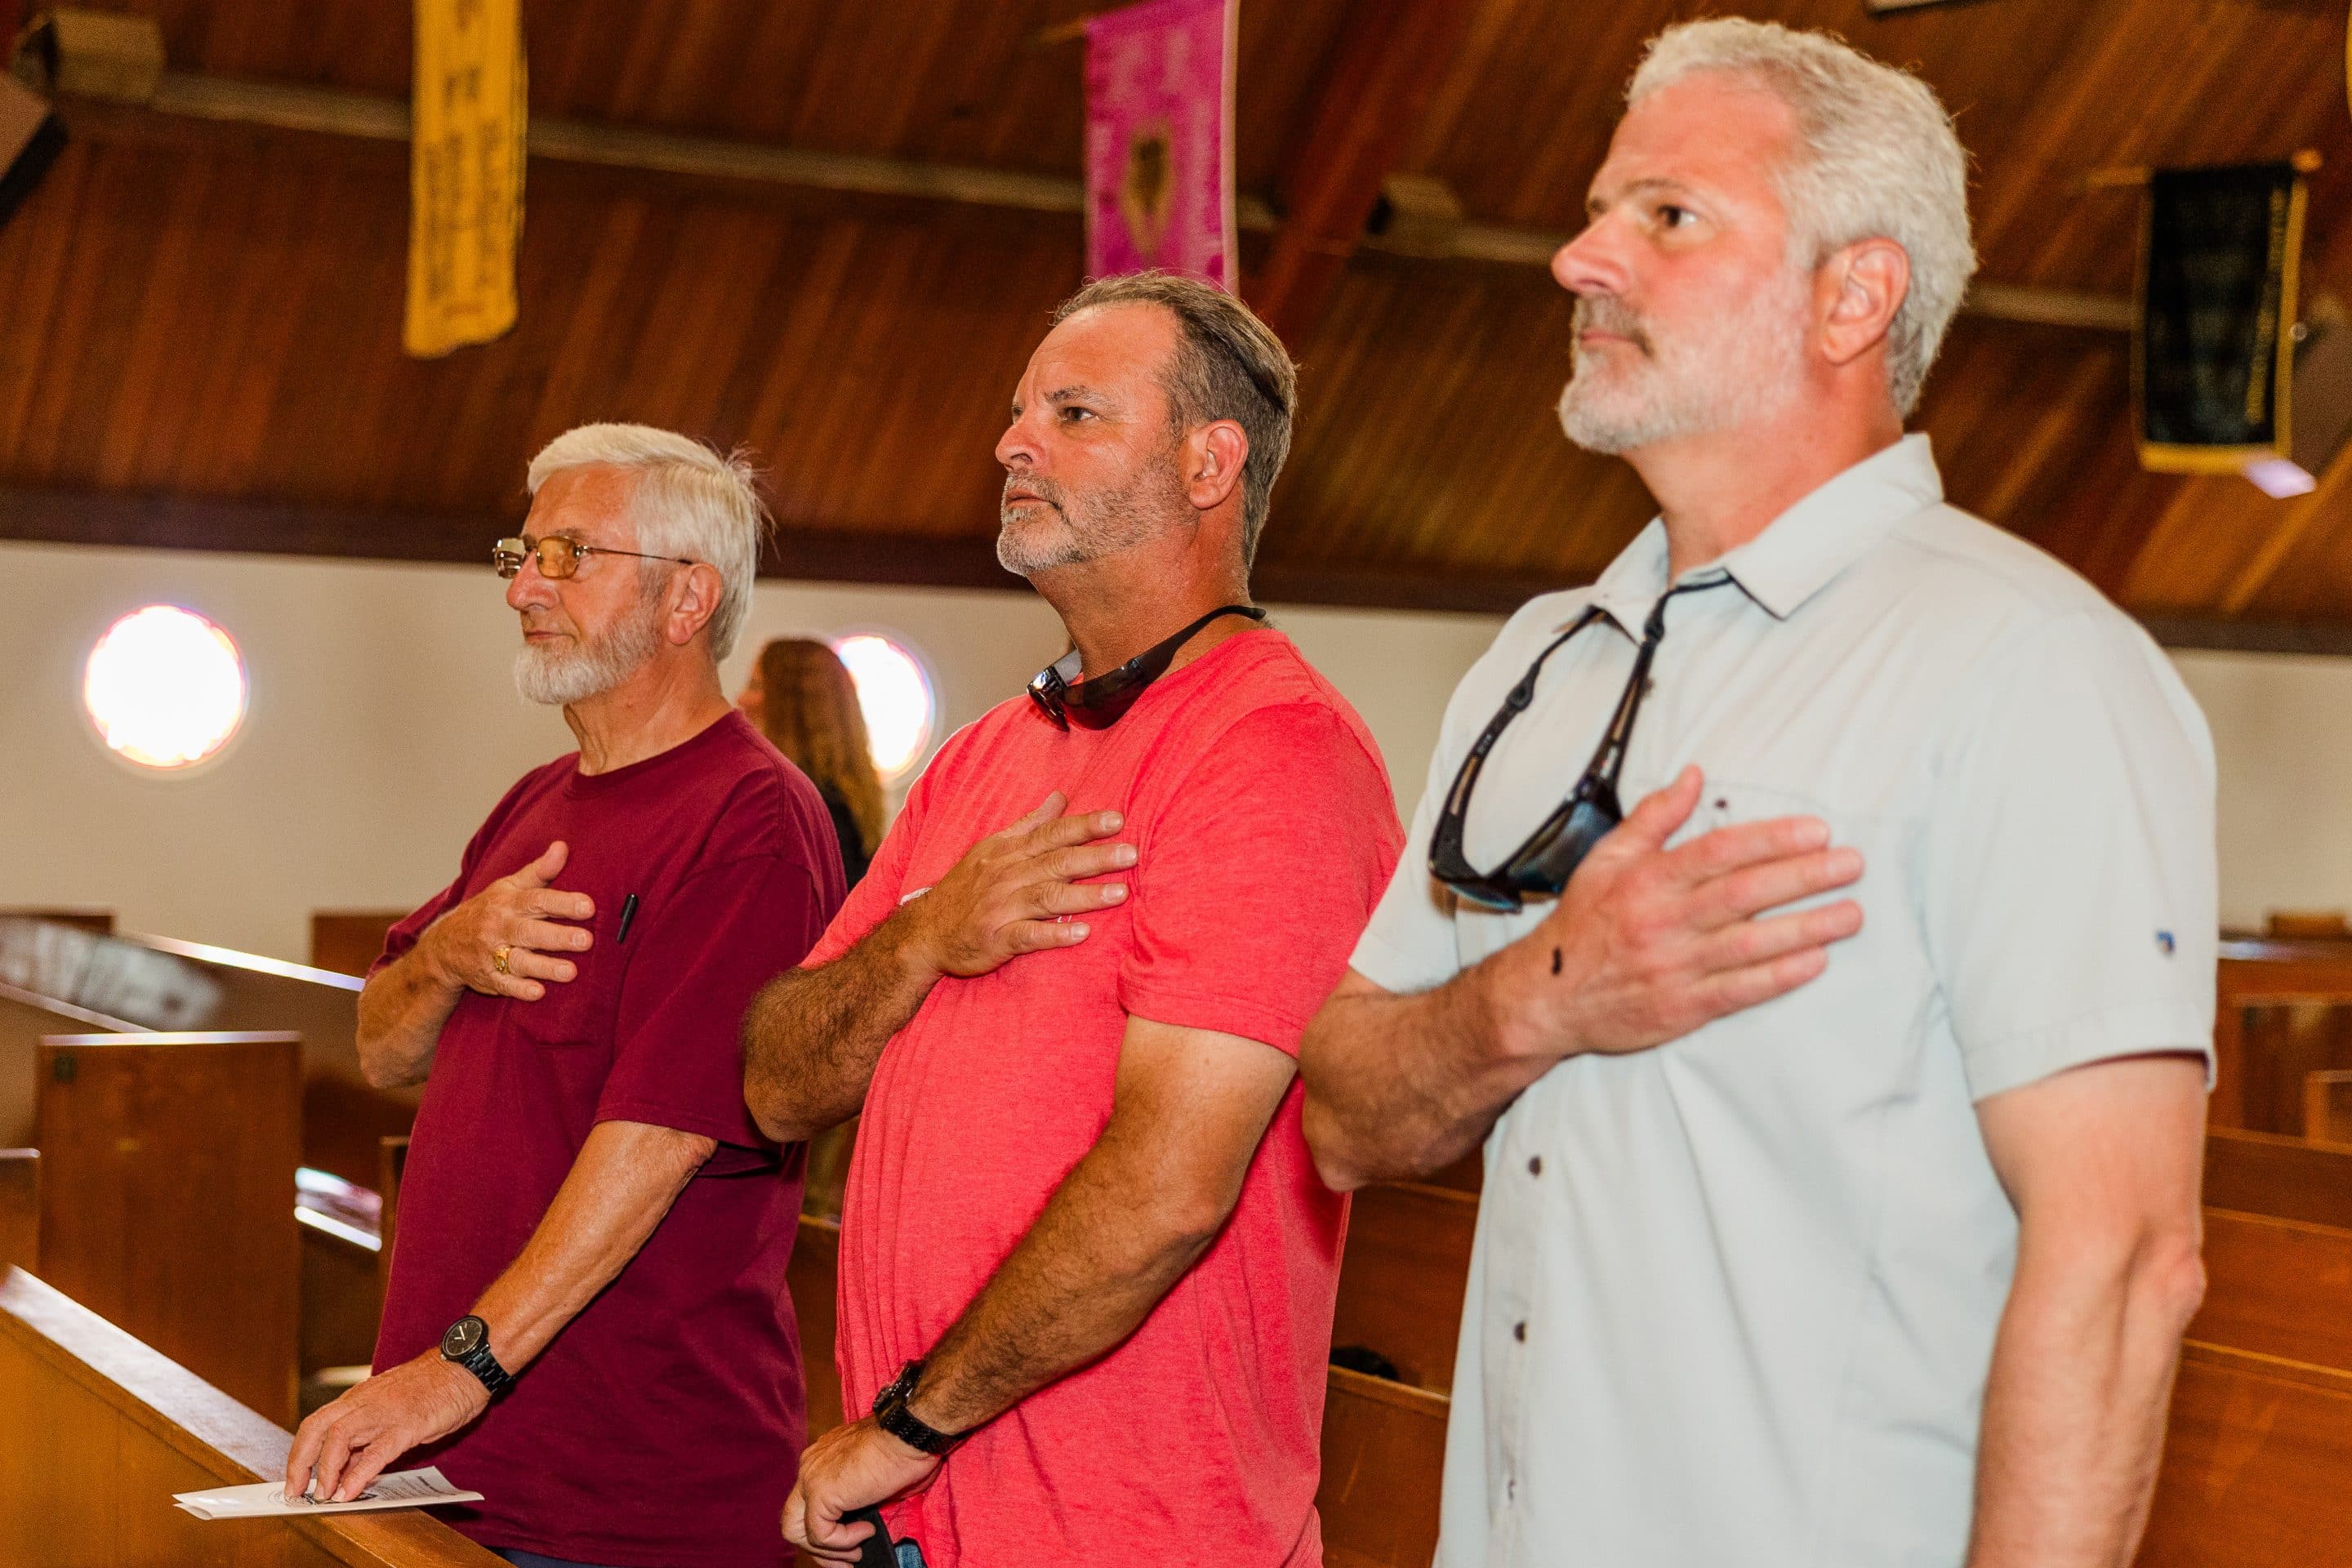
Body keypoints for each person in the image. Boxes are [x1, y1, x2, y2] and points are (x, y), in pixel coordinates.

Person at [1298, 20, 2215, 1568]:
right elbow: (1336, 1115)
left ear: (1855, 295)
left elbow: (2125, 1265)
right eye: (1599, 211)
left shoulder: (2028, 664)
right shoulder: (1546, 662)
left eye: (1666, 215)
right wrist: (1546, 992)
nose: (1579, 260)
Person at [741, 271, 1401, 1568]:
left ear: (1210, 463)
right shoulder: (988, 752)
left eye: (1075, 412)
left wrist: (911, 1426)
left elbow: (1167, 1189)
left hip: (1130, 1527)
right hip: (924, 1520)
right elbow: (774, 1082)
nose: (1011, 442)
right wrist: (925, 935)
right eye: (1018, 409)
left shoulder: (1275, 751)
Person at [286, 424, 845, 1568]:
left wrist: (457, 1372)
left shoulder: (753, 822)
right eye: (522, 552)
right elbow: (384, 1047)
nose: (524, 588)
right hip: (453, 1459)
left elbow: (657, 1142)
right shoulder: (538, 800)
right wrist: (444, 953)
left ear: (687, 598)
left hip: (626, 1490)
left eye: (570, 554)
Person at [738, 637, 885, 889]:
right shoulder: (844, 805)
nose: (742, 698)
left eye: (756, 686)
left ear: (788, 707)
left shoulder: (789, 804)